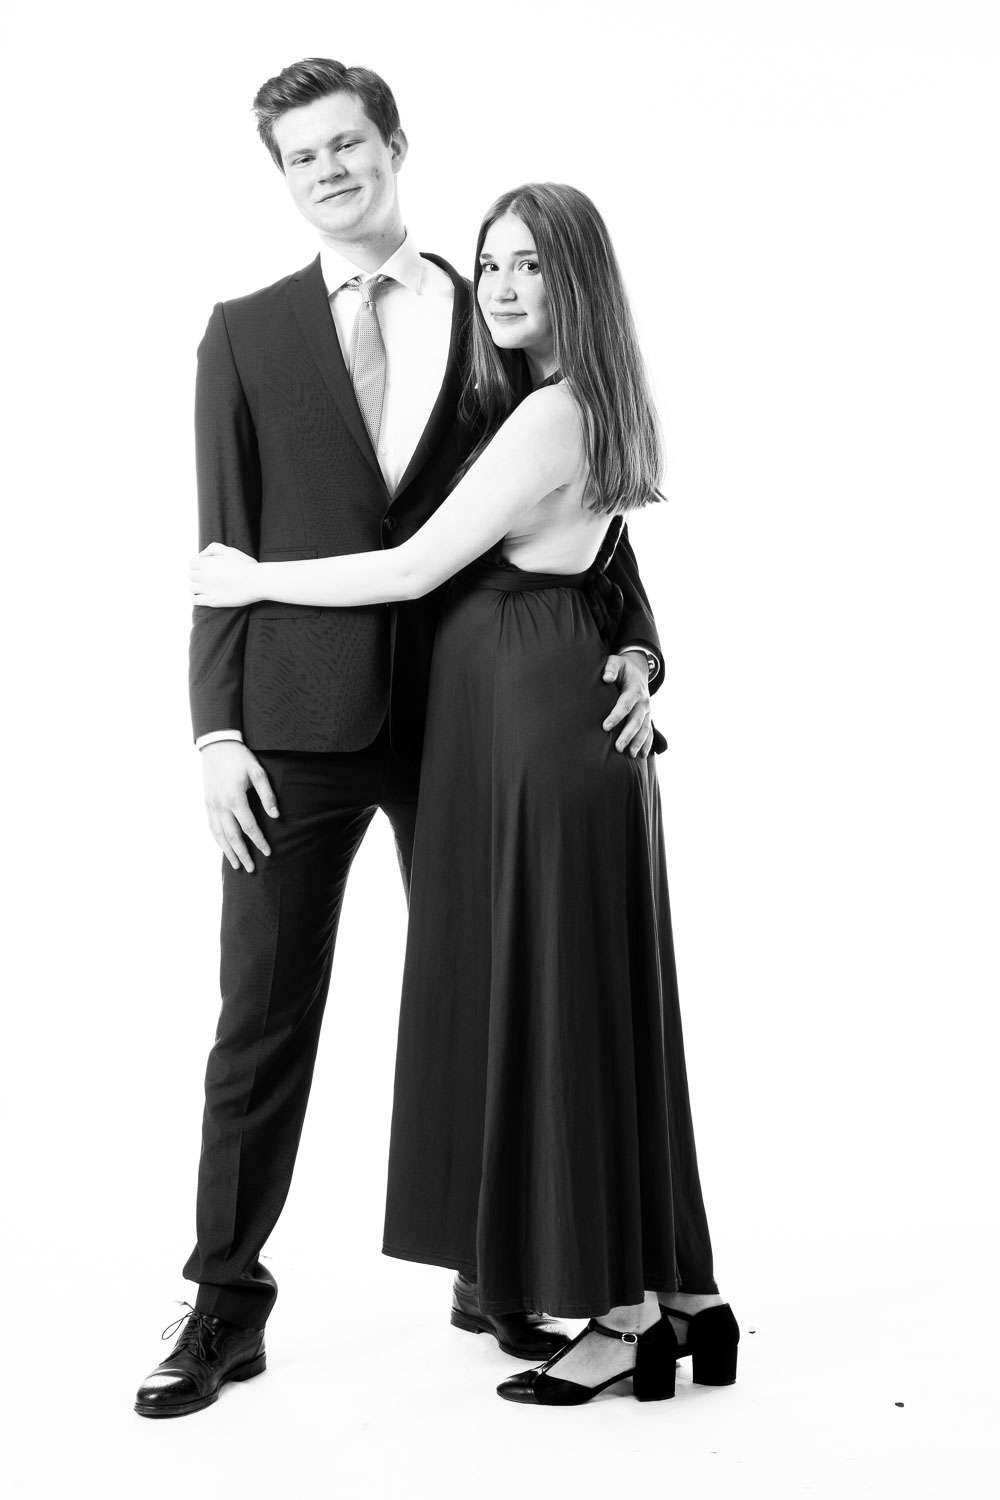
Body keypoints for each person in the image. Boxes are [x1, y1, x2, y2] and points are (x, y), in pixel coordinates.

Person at [134, 59, 663, 1420]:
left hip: (464, 723)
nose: (329, 169)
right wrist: (213, 732)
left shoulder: (494, 312)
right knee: (261, 1018)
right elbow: (220, 550)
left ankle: (496, 1271)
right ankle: (224, 1300)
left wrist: (638, 649)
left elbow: (586, 503)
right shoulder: (242, 334)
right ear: (283, 175)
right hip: (292, 734)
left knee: (493, 998)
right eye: (301, 154)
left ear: (393, 144)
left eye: (347, 142)